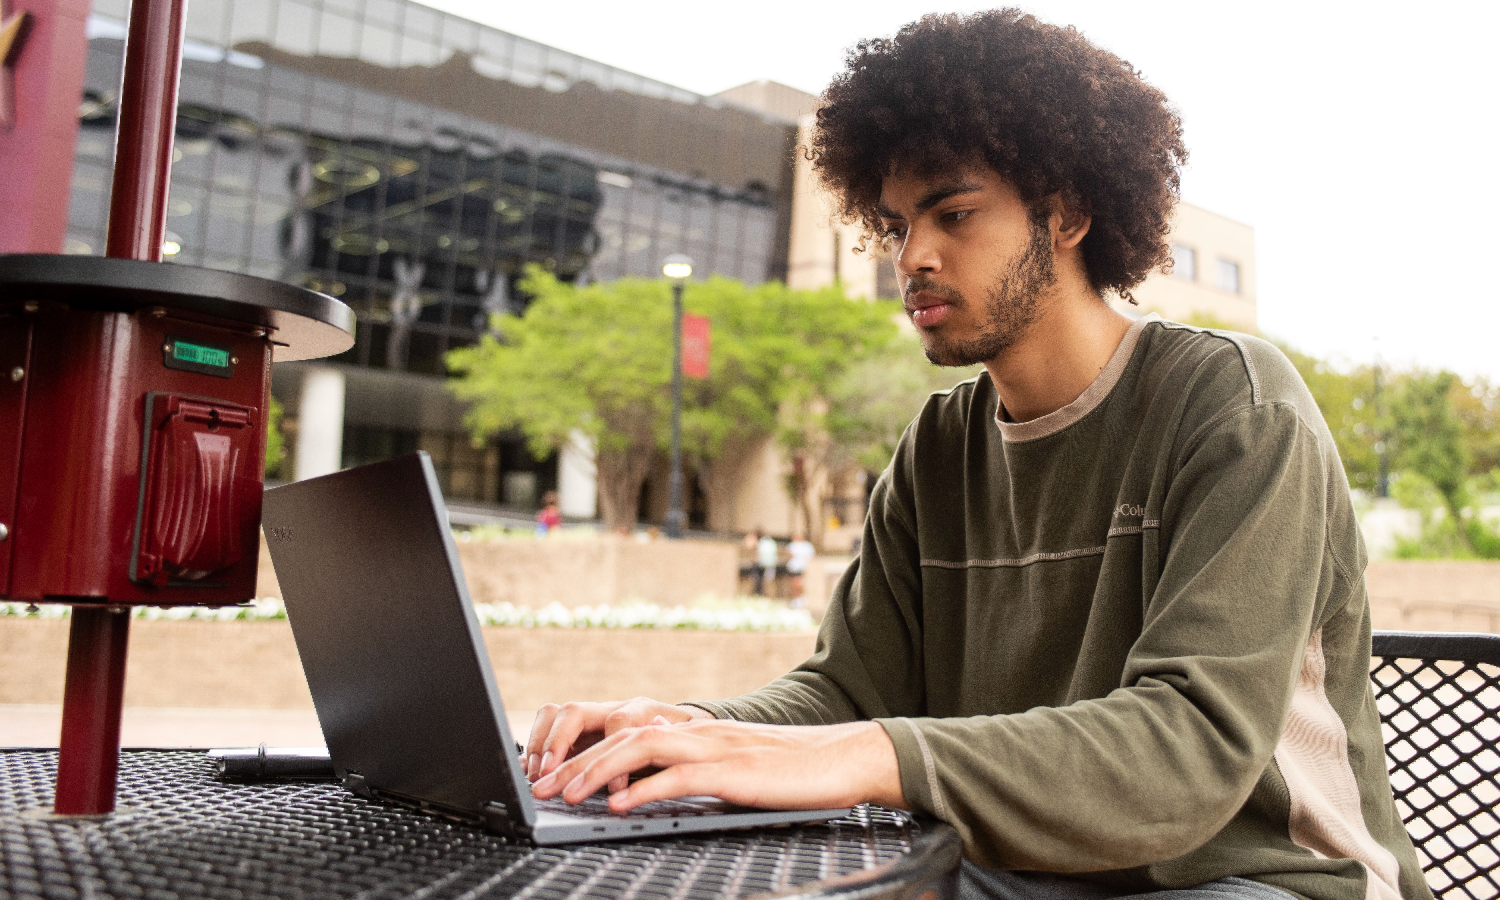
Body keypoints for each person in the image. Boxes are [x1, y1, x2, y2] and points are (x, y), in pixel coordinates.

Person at [523, 11, 1431, 900]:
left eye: (952, 213)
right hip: (1027, 868)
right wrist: (681, 730)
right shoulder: (941, 446)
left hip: (1257, 875)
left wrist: (870, 755)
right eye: (895, 226)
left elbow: (1186, 751)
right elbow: (849, 691)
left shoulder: (1232, 403)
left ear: (1068, 212)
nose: (912, 256)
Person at [785, 531, 816, 604]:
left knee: (802, 583)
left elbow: (811, 557)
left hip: (804, 567)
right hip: (794, 567)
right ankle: (796, 598)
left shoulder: (807, 545)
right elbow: (789, 555)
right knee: (795, 582)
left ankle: (802, 597)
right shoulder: (793, 545)